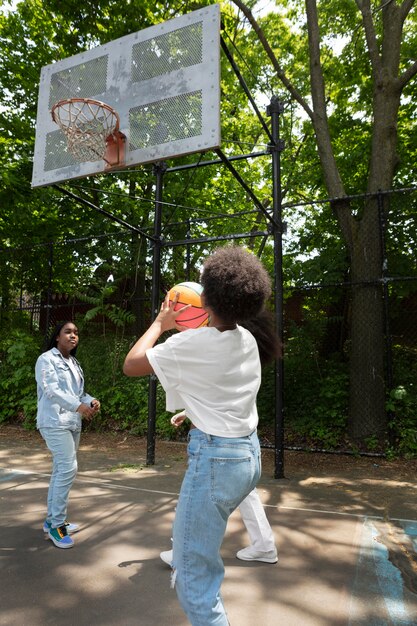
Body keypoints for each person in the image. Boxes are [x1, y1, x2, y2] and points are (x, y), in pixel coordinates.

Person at [123, 245, 281, 626]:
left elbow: (131, 365)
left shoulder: (190, 343)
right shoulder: (247, 338)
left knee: (194, 577)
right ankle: (244, 546)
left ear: (206, 297)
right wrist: (192, 412)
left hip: (217, 461)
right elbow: (223, 391)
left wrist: (161, 324)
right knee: (198, 557)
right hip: (247, 456)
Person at [159, 411, 277, 566]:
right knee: (246, 489)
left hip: (221, 438)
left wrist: (189, 409)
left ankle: (183, 553)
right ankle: (264, 545)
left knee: (197, 490)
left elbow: (215, 392)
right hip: (245, 438)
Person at [35, 321, 100, 549]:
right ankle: (57, 525)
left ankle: (51, 520)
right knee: (68, 468)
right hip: (53, 422)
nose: (73, 336)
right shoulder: (46, 360)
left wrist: (89, 401)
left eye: (76, 333)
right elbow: (51, 390)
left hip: (72, 422)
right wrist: (78, 405)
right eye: (68, 332)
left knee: (60, 470)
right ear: (57, 337)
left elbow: (78, 393)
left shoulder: (74, 362)